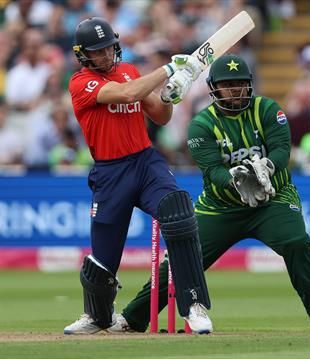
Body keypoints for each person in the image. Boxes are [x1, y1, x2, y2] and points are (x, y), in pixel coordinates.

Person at [109, 54, 310, 335]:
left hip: (273, 198)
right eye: (228, 85)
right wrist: (235, 179)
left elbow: (282, 149)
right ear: (214, 88)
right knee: (180, 259)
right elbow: (212, 171)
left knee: (297, 243)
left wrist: (266, 166)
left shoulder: (267, 108)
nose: (235, 91)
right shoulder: (202, 125)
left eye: (240, 84)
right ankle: (133, 318)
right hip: (221, 206)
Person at [63, 17, 212, 335]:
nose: (104, 56)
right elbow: (128, 94)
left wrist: (171, 95)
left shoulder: (129, 70)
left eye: (107, 49)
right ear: (83, 55)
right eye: (97, 52)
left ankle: (194, 305)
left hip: (146, 164)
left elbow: (158, 114)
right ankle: (99, 316)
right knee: (100, 263)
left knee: (178, 211)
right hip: (110, 173)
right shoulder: (81, 83)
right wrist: (167, 70)